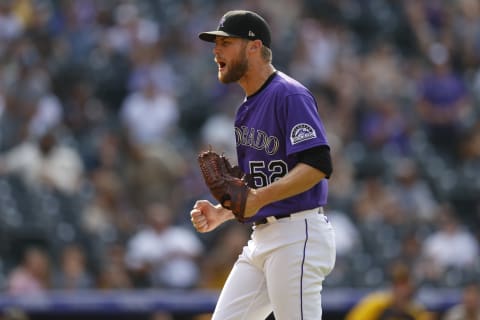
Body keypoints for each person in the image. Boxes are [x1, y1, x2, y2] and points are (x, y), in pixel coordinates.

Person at [190, 10, 336, 319]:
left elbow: (318, 163)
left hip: (297, 233)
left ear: (254, 47)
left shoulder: (289, 94)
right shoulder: (245, 109)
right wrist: (222, 213)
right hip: (262, 239)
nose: (216, 51)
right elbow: (255, 188)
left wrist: (258, 199)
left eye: (226, 43)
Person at [345, 263, 433, 320]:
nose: (404, 291)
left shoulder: (416, 312)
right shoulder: (376, 303)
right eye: (400, 285)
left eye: (407, 286)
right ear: (394, 287)